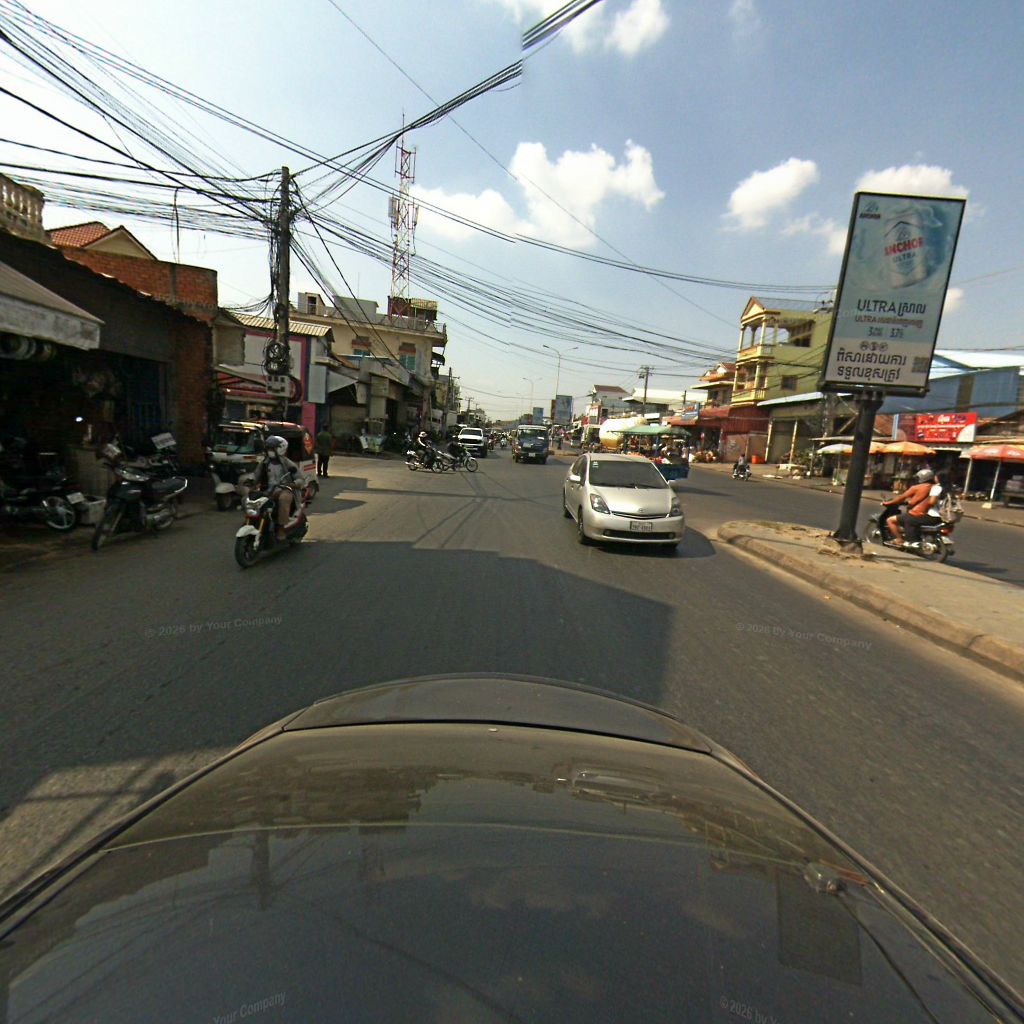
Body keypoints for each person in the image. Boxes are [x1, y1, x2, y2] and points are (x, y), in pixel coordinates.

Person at [251, 435, 300, 540]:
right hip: (268, 490)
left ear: (280, 449)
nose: (270, 451)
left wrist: (292, 484)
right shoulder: (265, 463)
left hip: (284, 489)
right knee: (251, 498)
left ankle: (281, 528)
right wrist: (250, 482)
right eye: (268, 448)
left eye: (272, 448)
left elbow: (300, 479)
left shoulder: (288, 463)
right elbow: (256, 475)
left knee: (283, 499)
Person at [884, 468, 936, 547]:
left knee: (890, 520)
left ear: (923, 478)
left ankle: (899, 540)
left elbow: (901, 497)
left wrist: (888, 502)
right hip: (928, 514)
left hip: (918, 513)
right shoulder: (935, 487)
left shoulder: (916, 487)